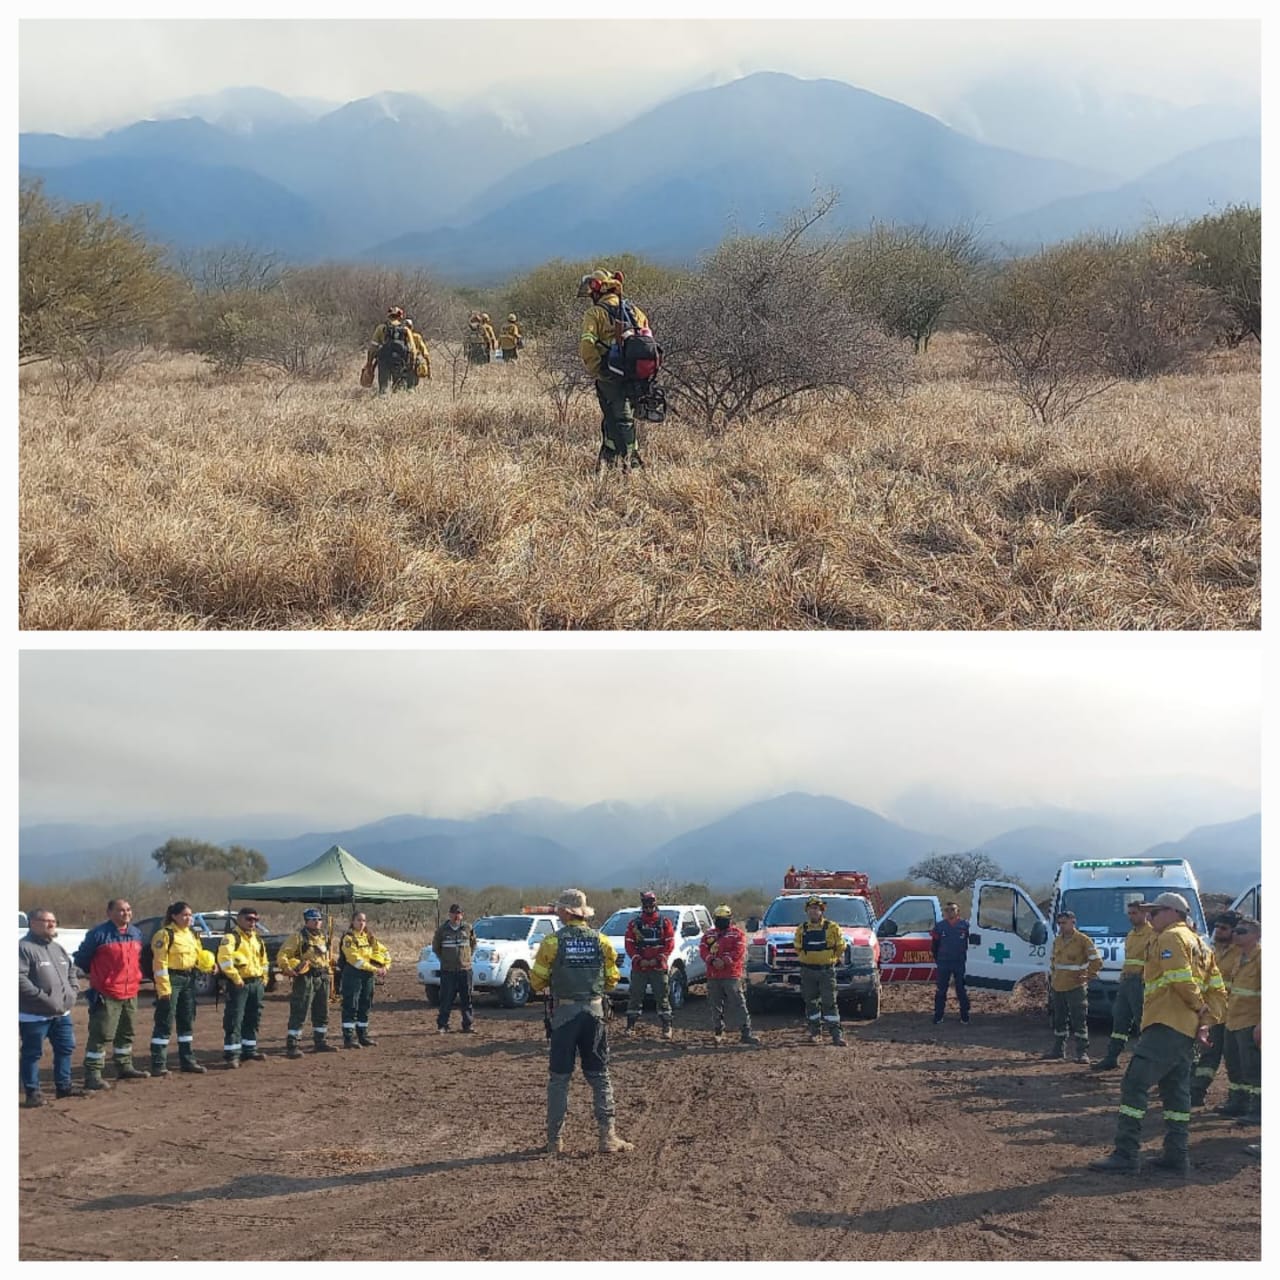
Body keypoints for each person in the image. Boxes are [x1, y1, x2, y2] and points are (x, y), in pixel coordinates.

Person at [1090, 892, 1212, 1175]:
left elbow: (1181, 980)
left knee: (1135, 1084)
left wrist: (1200, 1008)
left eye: (1154, 912)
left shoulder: (1170, 938)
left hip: (1166, 1024)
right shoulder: (1200, 943)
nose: (1149, 916)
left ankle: (1126, 1154)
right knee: (1176, 1092)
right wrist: (1205, 1019)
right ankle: (1177, 1155)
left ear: (1172, 912)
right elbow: (1213, 983)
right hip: (1185, 1028)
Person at [529, 888, 633, 1157]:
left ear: (566, 912)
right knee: (600, 1076)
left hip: (564, 1016)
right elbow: (611, 978)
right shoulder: (602, 941)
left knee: (559, 1079)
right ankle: (607, 1137)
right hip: (595, 1014)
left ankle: (555, 1141)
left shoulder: (552, 942)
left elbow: (537, 980)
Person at [74, 898, 149, 1090]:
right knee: (101, 1034)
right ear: (109, 913)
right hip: (107, 993)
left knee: (126, 1032)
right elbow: (82, 959)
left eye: (129, 910)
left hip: (131, 991)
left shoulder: (136, 933)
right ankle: (93, 1074)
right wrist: (100, 978)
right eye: (121, 910)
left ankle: (124, 1066)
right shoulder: (98, 934)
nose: (126, 913)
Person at [578, 268, 647, 471]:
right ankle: (609, 456)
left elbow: (587, 344)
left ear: (598, 291)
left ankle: (630, 460)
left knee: (619, 416)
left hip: (610, 372)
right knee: (619, 415)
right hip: (634, 373)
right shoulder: (635, 311)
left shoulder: (595, 313)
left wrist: (596, 369)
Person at [19, 908, 84, 1107]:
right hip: (34, 1015)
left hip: (61, 1014)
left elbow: (71, 970)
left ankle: (64, 1087)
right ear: (32, 923)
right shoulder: (23, 948)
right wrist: (43, 998)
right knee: (32, 1053)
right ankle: (33, 1093)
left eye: (53, 921)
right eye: (46, 921)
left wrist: (73, 991)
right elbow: (18, 978)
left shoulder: (58, 948)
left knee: (65, 1048)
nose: (51, 924)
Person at [149, 901, 216, 1076]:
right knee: (165, 1020)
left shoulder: (192, 934)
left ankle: (187, 1060)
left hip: (189, 980)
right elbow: (159, 963)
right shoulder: (164, 935)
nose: (189, 918)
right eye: (185, 915)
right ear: (174, 916)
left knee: (187, 1019)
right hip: (172, 979)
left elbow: (198, 956)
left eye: (190, 915)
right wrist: (164, 989)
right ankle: (158, 1063)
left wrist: (210, 966)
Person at [1092, 900, 1155, 1071]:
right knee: (1120, 1019)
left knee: (1143, 1023)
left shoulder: (1152, 934)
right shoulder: (1131, 935)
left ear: (1144, 914)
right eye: (1129, 913)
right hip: (1126, 981)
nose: (1131, 916)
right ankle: (1112, 1057)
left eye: (1135, 913)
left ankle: (1147, 1062)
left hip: (1140, 983)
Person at [1190, 911, 1241, 1104]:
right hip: (1216, 1012)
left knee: (1235, 1060)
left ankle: (1240, 1099)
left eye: (1224, 928)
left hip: (1237, 1015)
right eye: (1217, 927)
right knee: (1209, 1054)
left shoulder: (1244, 953)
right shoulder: (1214, 950)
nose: (1218, 931)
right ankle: (1196, 1091)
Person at [278, 908, 337, 1057]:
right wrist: (289, 968)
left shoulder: (323, 937)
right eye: (313, 919)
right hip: (306, 978)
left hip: (322, 977)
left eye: (319, 919)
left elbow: (326, 956)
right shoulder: (298, 937)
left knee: (322, 1011)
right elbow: (283, 954)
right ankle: (292, 1045)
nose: (317, 922)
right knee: (300, 1010)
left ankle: (320, 1041)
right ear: (307, 921)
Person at [216, 906, 270, 1068]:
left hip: (256, 983)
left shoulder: (258, 939)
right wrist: (235, 978)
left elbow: (264, 962)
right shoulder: (231, 938)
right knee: (235, 1019)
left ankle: (250, 1050)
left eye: (255, 920)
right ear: (239, 919)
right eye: (249, 919)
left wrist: (264, 979)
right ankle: (232, 1054)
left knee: (253, 1017)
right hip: (239, 984)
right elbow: (224, 959)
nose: (252, 922)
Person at [1044, 909, 1101, 1063]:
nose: (1061, 926)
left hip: (1075, 987)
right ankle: (1058, 1050)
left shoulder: (1083, 940)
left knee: (1079, 1019)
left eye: (1064, 923)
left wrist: (1088, 976)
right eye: (1059, 923)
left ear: (1073, 922)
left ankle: (1082, 1052)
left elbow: (1096, 961)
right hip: (1058, 986)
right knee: (1059, 1019)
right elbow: (1054, 962)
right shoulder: (1058, 940)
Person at [1219, 917, 1261, 1125]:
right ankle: (1238, 1102)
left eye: (1242, 931)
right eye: (1236, 931)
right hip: (1233, 1020)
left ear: (1256, 936)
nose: (1236, 934)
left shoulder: (1262, 958)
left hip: (1250, 1022)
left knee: (1253, 1068)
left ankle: (1259, 1110)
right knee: (1235, 1065)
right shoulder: (1239, 958)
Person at [699, 906, 759, 1045]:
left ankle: (746, 1032)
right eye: (719, 919)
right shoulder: (708, 935)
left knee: (739, 1003)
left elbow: (739, 951)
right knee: (715, 1005)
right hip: (713, 975)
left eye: (724, 919)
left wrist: (724, 961)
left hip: (731, 975)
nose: (721, 921)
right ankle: (718, 1031)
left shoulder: (737, 934)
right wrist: (712, 960)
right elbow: (703, 950)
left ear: (730, 919)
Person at [794, 896, 848, 1047]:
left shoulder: (832, 927)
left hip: (826, 971)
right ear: (807, 911)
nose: (814, 911)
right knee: (811, 1003)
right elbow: (797, 948)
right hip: (807, 971)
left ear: (822, 910)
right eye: (811, 908)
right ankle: (814, 1033)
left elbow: (841, 947)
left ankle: (836, 1035)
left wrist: (830, 959)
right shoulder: (801, 929)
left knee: (829, 1002)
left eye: (816, 908)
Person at [624, 891, 676, 1039]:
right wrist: (638, 959)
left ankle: (667, 1027)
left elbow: (670, 943)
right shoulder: (634, 924)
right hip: (639, 967)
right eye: (646, 904)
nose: (649, 907)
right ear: (642, 905)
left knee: (662, 997)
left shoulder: (664, 922)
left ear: (655, 903)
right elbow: (629, 944)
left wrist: (659, 958)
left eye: (651, 903)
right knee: (635, 997)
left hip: (658, 967)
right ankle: (630, 1026)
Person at [339, 910, 391, 1049]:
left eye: (363, 921)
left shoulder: (369, 937)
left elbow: (384, 951)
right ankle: (349, 1038)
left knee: (365, 1004)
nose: (361, 923)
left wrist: (385, 966)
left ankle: (363, 1036)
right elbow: (355, 960)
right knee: (351, 1005)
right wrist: (376, 969)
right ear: (352, 921)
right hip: (353, 974)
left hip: (367, 976)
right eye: (358, 920)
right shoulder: (348, 938)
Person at [432, 904, 477, 1034]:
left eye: (459, 913)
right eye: (454, 913)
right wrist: (445, 960)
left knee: (466, 998)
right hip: (448, 971)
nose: (456, 916)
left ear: (462, 915)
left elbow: (473, 945)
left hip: (465, 970)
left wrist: (466, 959)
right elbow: (436, 948)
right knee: (446, 999)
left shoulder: (468, 928)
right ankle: (443, 1025)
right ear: (449, 914)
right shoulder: (442, 930)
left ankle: (467, 1025)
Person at [930, 901, 971, 1025]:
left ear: (958, 911)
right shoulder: (939, 926)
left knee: (961, 990)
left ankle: (965, 1016)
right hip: (944, 962)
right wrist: (939, 959)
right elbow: (934, 946)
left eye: (952, 909)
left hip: (960, 962)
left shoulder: (965, 926)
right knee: (941, 990)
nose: (949, 912)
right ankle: (938, 1016)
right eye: (947, 910)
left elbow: (972, 944)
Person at [367, 306, 417, 393]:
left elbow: (372, 348)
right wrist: (411, 365)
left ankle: (383, 399)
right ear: (400, 317)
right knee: (399, 389)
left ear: (389, 316)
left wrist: (369, 363)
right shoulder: (406, 330)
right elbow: (413, 350)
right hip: (400, 361)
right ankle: (397, 402)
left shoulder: (381, 328)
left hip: (384, 361)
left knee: (384, 388)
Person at [405, 318, 431, 382]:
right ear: (412, 327)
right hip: (413, 361)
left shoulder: (399, 337)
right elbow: (424, 351)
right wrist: (428, 365)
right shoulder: (416, 337)